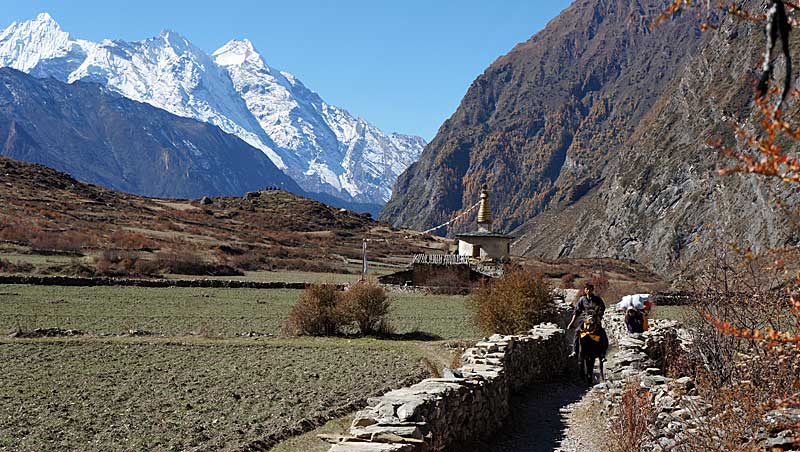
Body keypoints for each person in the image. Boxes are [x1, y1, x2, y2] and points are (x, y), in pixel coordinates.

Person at [567, 283, 606, 358]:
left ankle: (602, 353)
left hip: (595, 319)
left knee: (602, 333)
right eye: (587, 289)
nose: (588, 291)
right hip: (584, 319)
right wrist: (571, 323)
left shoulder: (598, 299)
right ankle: (574, 351)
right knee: (577, 332)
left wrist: (597, 316)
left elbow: (602, 309)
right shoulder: (582, 299)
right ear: (585, 290)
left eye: (590, 289)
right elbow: (577, 311)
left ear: (592, 290)